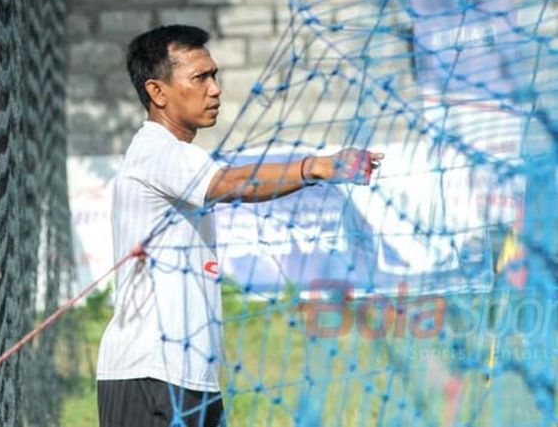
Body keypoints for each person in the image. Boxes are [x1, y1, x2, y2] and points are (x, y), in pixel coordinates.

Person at [96, 24, 383, 427]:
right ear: (157, 91)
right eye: (200, 78)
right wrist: (317, 166)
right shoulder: (157, 151)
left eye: (214, 75)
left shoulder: (174, 155)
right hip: (151, 377)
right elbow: (229, 184)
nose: (215, 89)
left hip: (190, 378)